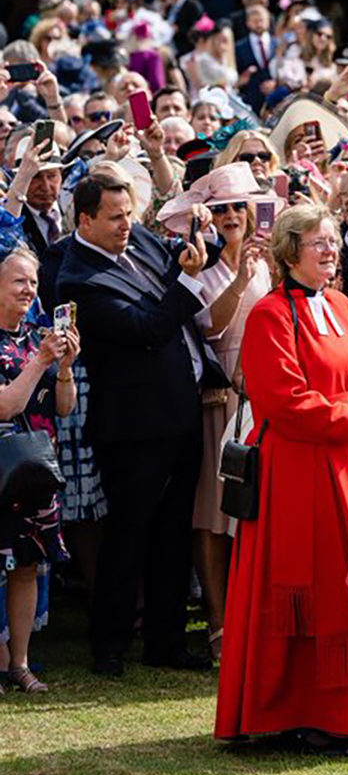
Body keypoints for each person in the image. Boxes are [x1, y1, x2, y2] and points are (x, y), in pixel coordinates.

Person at [216, 203, 348, 756]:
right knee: (303, 590)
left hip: (343, 469)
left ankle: (342, 711)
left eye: (334, 241)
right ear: (290, 252)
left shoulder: (345, 307)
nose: (331, 251)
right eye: (318, 243)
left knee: (346, 588)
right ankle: (294, 711)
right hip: (293, 471)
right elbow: (284, 402)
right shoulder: (269, 314)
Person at [56, 173, 220, 676]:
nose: (126, 225)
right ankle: (109, 642)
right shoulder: (78, 279)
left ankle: (165, 642)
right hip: (133, 425)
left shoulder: (141, 238)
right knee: (127, 534)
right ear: (84, 220)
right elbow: (147, 328)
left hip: (180, 409)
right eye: (114, 217)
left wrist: (202, 242)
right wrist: (188, 281)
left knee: (174, 531)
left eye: (128, 213)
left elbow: (183, 269)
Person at [157, 164, 275, 664]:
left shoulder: (264, 259)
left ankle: (254, 614)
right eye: (221, 207)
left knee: (255, 507)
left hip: (264, 389)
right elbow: (209, 330)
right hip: (220, 391)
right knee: (212, 510)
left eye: (237, 206)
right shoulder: (200, 261)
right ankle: (219, 621)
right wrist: (241, 277)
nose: (230, 215)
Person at [0, 242, 79, 693]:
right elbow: (7, 405)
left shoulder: (37, 336)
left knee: (27, 564)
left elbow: (64, 408)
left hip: (35, 469)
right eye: (18, 281)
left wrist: (64, 368)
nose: (29, 289)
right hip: (2, 467)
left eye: (33, 281)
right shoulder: (33, 349)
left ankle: (20, 663)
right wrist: (41, 361)